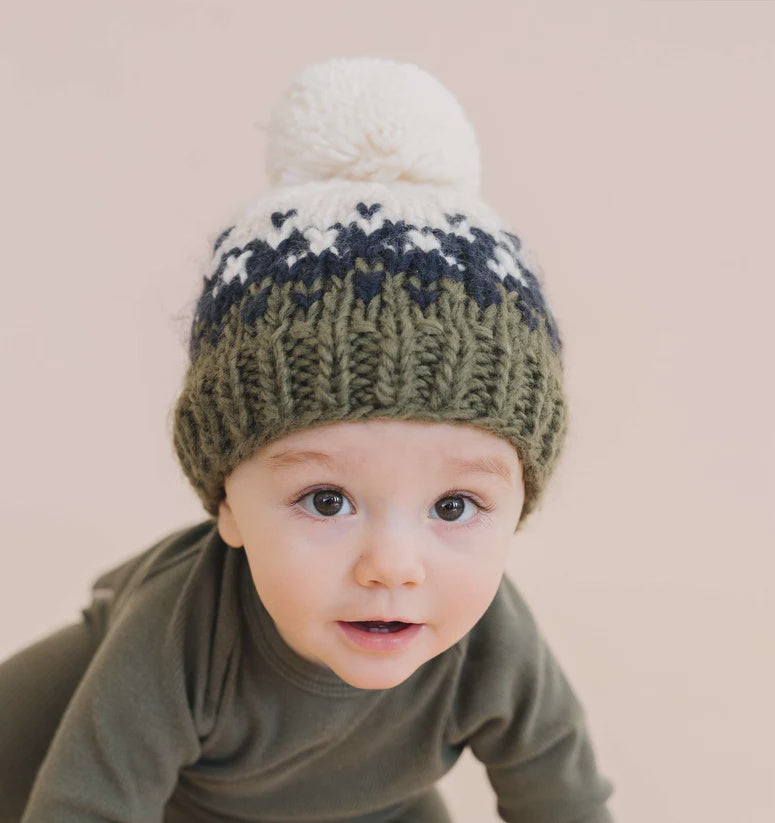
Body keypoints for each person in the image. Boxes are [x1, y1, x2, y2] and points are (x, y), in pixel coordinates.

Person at [0, 56, 615, 822]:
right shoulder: (183, 633)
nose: (391, 565)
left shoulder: (491, 643)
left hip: (369, 804)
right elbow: (85, 803)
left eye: (455, 505)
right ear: (227, 501)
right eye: (326, 499)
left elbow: (559, 790)